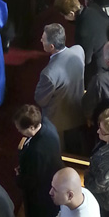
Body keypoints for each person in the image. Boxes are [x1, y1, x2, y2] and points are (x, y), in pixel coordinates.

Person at [35, 22, 85, 151]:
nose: (41, 40)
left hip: (58, 122)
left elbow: (41, 100)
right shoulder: (78, 50)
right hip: (78, 113)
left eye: (43, 39)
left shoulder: (49, 73)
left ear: (51, 46)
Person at [14, 104, 62, 217]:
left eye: (20, 129)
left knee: (41, 214)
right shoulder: (46, 123)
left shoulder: (37, 150)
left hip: (42, 188)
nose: (19, 132)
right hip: (52, 172)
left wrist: (19, 176)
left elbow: (32, 180)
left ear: (31, 127)